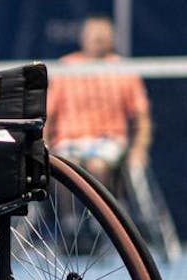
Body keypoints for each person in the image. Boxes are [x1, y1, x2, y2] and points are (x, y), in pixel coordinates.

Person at [46, 16, 152, 190]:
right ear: (84, 38)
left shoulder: (123, 69)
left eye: (103, 37)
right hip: (69, 142)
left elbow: (142, 117)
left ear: (111, 39)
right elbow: (47, 115)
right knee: (67, 167)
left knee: (97, 166)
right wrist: (44, 146)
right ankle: (69, 218)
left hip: (108, 141)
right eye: (94, 36)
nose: (98, 41)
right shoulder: (65, 67)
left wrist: (139, 150)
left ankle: (99, 217)